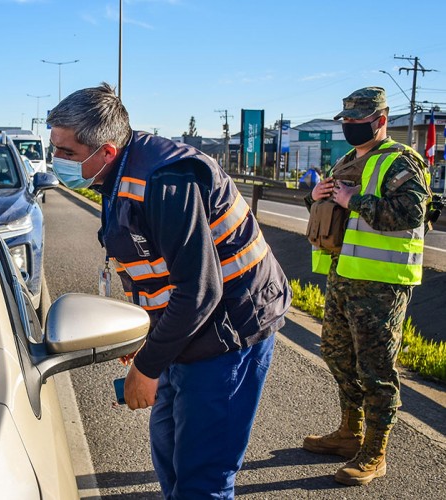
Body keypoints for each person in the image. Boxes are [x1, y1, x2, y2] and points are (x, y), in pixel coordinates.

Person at [46, 82, 291, 499]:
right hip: (185, 331)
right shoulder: (116, 174)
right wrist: (145, 336)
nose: (57, 161)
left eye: (66, 153)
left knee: (202, 475)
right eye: (54, 148)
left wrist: (147, 366)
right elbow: (156, 271)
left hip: (227, 334)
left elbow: (198, 290)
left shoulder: (166, 182)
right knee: (170, 455)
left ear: (105, 150)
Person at [302, 87, 430, 486]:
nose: (353, 128)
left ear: (381, 120)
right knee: (338, 355)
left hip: (380, 285)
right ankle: (349, 434)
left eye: (360, 122)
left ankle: (375, 454)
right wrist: (317, 197)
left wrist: (352, 199)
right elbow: (335, 210)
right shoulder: (346, 160)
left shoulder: (400, 161)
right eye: (349, 123)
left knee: (375, 370)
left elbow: (412, 213)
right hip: (344, 276)